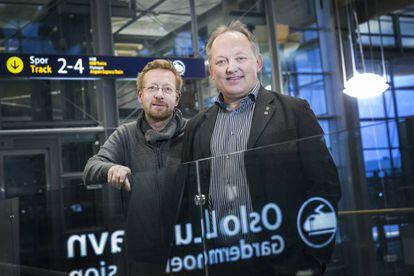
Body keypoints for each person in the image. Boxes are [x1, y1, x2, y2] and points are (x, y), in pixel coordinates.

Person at [177, 21, 341, 275]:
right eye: (221, 62)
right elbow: (188, 195)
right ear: (211, 72)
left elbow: (325, 187)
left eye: (240, 58)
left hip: (282, 261)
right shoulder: (197, 126)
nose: (231, 68)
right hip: (219, 261)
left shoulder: (294, 112)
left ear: (258, 63)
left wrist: (314, 258)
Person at [83, 59, 186, 275]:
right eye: (152, 88)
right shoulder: (125, 134)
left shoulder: (193, 131)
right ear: (140, 95)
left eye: (167, 89)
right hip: (141, 255)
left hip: (187, 249)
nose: (159, 94)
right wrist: (109, 169)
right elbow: (91, 168)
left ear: (176, 99)